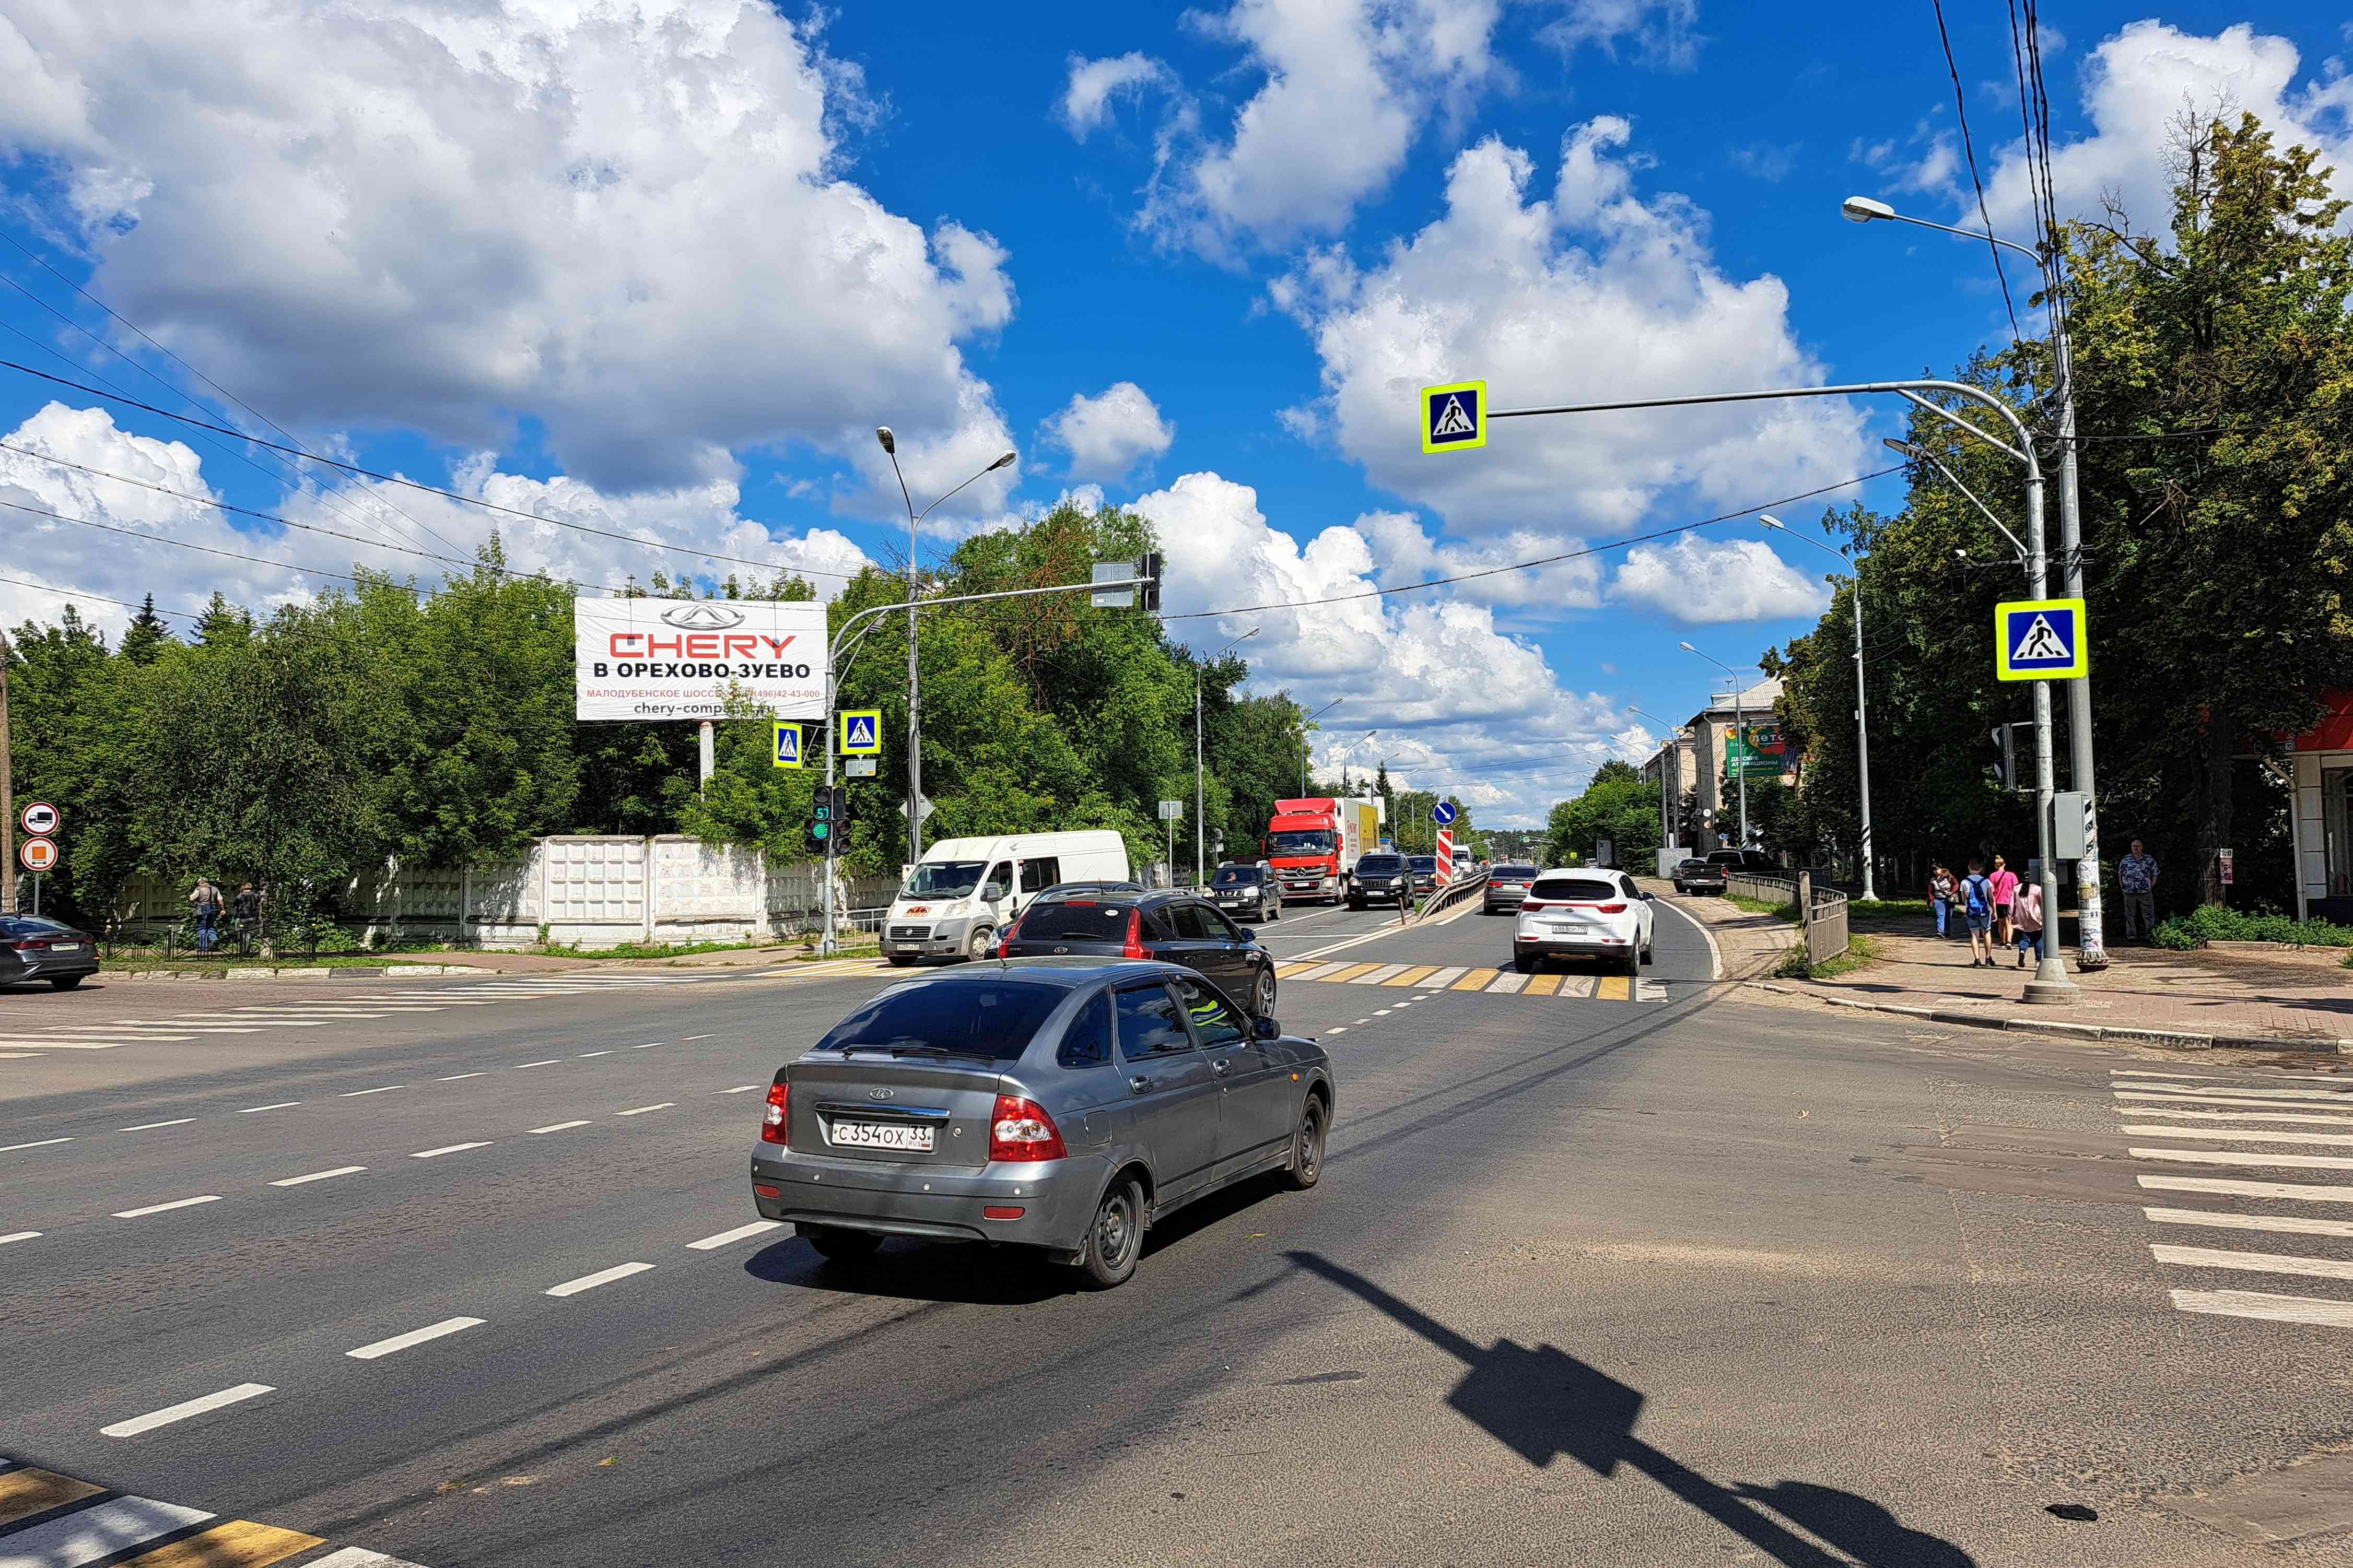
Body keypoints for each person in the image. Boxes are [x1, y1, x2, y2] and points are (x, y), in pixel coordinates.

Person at [2118, 839, 2159, 942]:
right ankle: (2131, 935)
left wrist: (2150, 887)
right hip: (2129, 892)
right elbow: (2120, 874)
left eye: (2138, 846)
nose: (2135, 848)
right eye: (2134, 846)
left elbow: (2155, 874)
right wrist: (2123, 888)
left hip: (2145, 892)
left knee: (2149, 914)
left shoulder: (2149, 860)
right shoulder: (2125, 860)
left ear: (2142, 848)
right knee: (2129, 915)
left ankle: (2150, 935)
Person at [1959, 859, 1996, 967]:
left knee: (1974, 934)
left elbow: (1964, 899)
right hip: (1985, 910)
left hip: (1971, 911)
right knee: (1987, 932)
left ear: (1969, 868)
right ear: (1981, 869)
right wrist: (1994, 911)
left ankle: (1977, 960)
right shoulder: (1986, 881)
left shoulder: (1964, 882)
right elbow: (1991, 898)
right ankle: (1988, 958)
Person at [1987, 854, 2019, 948]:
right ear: (2004, 864)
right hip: (2010, 901)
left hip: (1998, 901)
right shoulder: (2012, 875)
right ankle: (2009, 941)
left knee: (2001, 922)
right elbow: (2016, 888)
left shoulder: (1993, 876)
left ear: (1995, 866)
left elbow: (1992, 890)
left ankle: (2002, 941)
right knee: (2009, 921)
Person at [2011, 878, 2044, 968]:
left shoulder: (2016, 888)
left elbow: (2011, 904)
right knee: (2038, 939)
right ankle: (2038, 960)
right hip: (2036, 917)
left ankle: (2022, 951)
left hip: (2022, 917)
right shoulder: (2037, 889)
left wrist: (2010, 915)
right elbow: (2043, 903)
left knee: (2025, 937)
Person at [189, 878, 223, 952]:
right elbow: (220, 900)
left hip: (203, 910)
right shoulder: (215, 889)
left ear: (201, 882)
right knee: (210, 926)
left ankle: (203, 948)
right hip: (213, 910)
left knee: (202, 928)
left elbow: (192, 898)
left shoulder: (199, 889)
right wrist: (222, 909)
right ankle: (214, 939)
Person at [1928, 864, 1958, 940]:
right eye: (1934, 870)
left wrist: (1952, 892)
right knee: (1940, 915)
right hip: (1938, 900)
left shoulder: (1950, 877)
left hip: (1949, 899)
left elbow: (1956, 884)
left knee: (1948, 916)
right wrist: (1931, 900)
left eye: (1938, 869)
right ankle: (1940, 932)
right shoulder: (1933, 880)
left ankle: (1947, 931)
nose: (1936, 871)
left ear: (1942, 869)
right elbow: (1931, 891)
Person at [233, 882, 260, 952]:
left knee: (241, 933)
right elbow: (258, 904)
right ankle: (247, 949)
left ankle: (242, 949)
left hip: (242, 917)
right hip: (252, 917)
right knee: (249, 933)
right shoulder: (255, 895)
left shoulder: (240, 895)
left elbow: (235, 904)